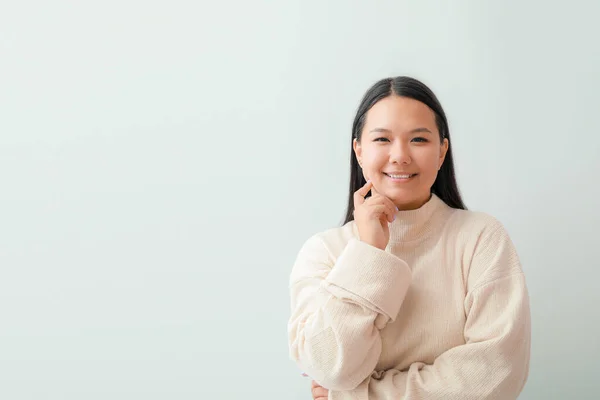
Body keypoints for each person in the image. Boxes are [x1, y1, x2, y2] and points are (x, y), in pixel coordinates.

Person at [287, 76, 531, 400]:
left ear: (442, 151)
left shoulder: (481, 239)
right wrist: (367, 250)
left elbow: (497, 373)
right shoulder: (324, 252)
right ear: (358, 151)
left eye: (418, 139)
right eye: (382, 139)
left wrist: (356, 396)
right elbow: (330, 366)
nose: (400, 156)